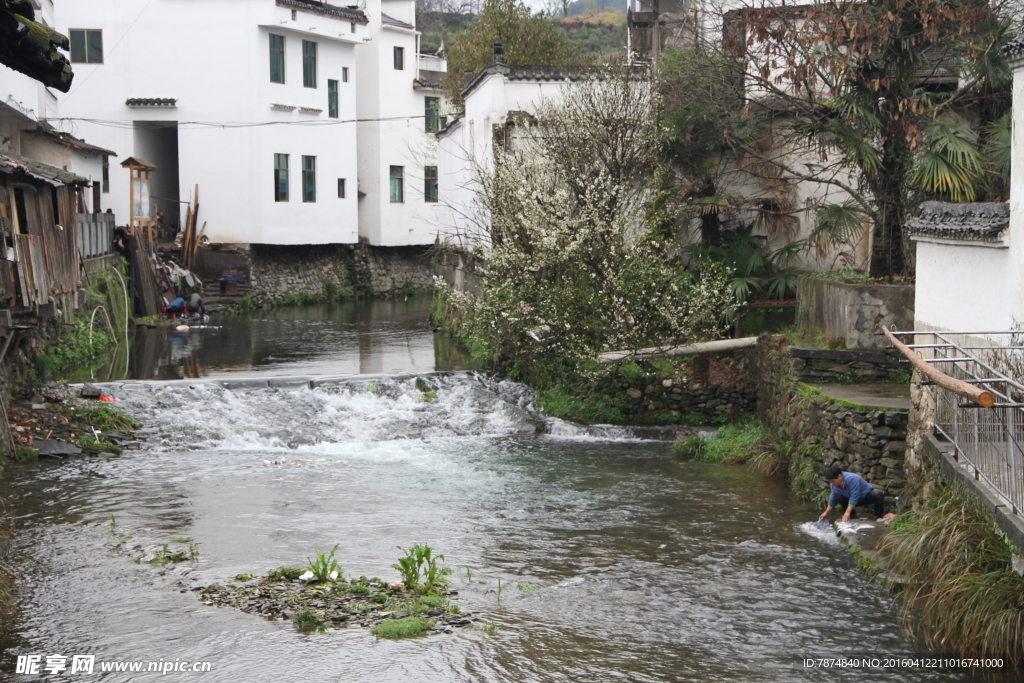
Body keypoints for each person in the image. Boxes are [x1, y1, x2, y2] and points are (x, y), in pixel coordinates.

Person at [818, 464, 885, 521]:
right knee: (838, 496)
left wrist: (847, 512)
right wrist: (826, 513)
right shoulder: (834, 484)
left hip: (864, 497)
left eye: (833, 481)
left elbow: (854, 496)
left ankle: (878, 516)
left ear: (839, 476)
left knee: (878, 494)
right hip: (849, 499)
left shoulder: (852, 479)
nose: (832, 483)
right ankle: (852, 515)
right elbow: (833, 498)